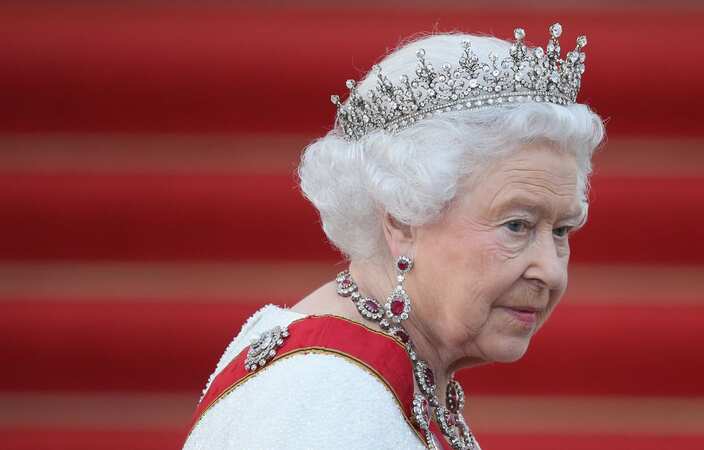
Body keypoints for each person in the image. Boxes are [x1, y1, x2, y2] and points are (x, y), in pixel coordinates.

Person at [184, 23, 604, 450]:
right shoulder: (328, 404)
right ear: (403, 218)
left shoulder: (383, 374)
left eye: (562, 230)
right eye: (516, 225)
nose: (550, 271)